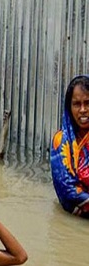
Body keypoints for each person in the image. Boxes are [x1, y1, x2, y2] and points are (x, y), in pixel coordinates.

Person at [50, 75, 89, 217]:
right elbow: (67, 191)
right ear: (69, 107)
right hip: (77, 217)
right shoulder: (61, 141)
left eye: (87, 103)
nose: (83, 110)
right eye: (77, 104)